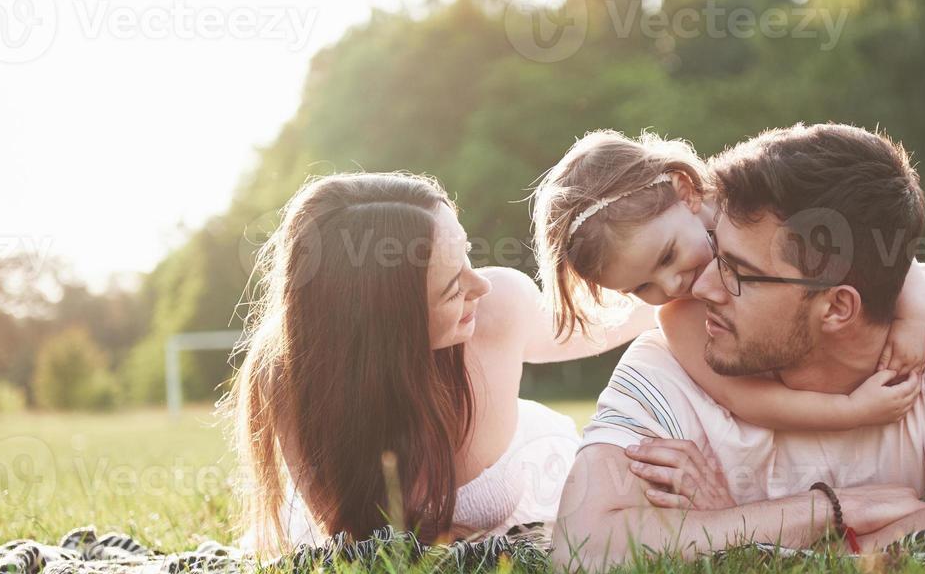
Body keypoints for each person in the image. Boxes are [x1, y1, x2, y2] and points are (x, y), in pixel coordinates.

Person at [551, 123, 925, 573]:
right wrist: (826, 512)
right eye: (642, 287)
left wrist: (729, 539)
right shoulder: (669, 360)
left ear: (838, 306)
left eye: (736, 270)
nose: (697, 288)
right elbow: (580, 549)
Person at [228, 171, 653, 554]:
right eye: (452, 288)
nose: (479, 283)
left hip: (544, 495)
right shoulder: (292, 372)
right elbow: (355, 537)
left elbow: (606, 322)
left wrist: (685, 275)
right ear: (387, 326)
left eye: (467, 254)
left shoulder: (498, 305)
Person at [532, 129, 925, 441]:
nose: (671, 286)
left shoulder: (752, 202)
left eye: (668, 256)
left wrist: (913, 318)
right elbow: (743, 398)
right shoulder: (677, 317)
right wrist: (852, 411)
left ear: (684, 190)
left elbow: (873, 245)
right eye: (641, 288)